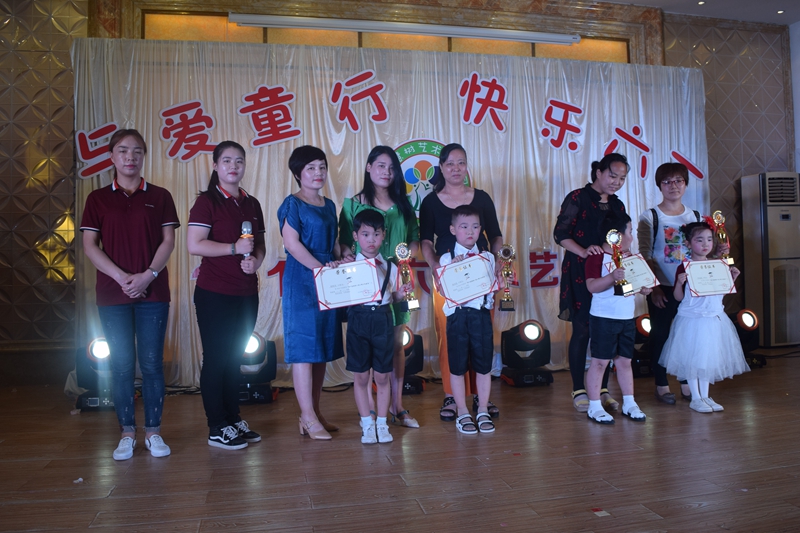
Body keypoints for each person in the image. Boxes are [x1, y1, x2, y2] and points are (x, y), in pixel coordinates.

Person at [80, 128, 179, 460]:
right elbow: (90, 246)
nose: (130, 157)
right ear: (112, 156)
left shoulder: (160, 196)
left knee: (151, 364)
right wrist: (122, 277)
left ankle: (153, 432)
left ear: (144, 156)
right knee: (121, 365)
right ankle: (126, 433)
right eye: (123, 151)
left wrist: (148, 275)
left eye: (137, 151)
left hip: (153, 292)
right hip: (113, 293)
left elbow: (168, 241)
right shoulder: (97, 199)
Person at [187, 141, 265, 450]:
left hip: (246, 293)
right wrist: (233, 248)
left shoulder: (251, 203)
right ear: (216, 165)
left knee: (235, 359)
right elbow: (194, 244)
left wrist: (255, 261)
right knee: (217, 359)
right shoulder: (207, 201)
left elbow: (259, 245)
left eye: (239, 161)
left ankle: (233, 419)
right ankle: (216, 426)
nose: (234, 166)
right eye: (227, 161)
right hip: (214, 292)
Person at [420, 143, 503, 422]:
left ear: (467, 166)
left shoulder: (482, 198)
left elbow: (496, 236)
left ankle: (481, 397)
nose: (456, 169)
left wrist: (498, 262)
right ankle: (451, 395)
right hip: (449, 280)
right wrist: (436, 267)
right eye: (450, 164)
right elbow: (425, 241)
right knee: (450, 338)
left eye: (461, 163)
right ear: (441, 168)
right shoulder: (431, 202)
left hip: (481, 278)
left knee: (481, 336)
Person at [339, 146, 420, 429]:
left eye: (391, 167)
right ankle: (370, 412)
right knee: (366, 346)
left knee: (395, 344)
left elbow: (414, 238)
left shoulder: (404, 204)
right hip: (365, 286)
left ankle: (397, 406)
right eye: (381, 165)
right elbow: (343, 242)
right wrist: (348, 258)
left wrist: (406, 259)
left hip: (397, 281)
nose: (386, 172)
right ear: (369, 167)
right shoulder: (353, 204)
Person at [554, 153, 629, 413]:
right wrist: (584, 251)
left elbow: (623, 238)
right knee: (583, 329)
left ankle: (602, 389)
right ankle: (579, 389)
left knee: (605, 330)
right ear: (598, 172)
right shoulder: (578, 198)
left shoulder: (618, 205)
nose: (616, 182)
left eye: (622, 178)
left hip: (609, 271)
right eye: (612, 176)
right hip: (580, 269)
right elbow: (560, 234)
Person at [278, 145, 344, 440]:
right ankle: (306, 416)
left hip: (327, 279)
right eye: (311, 168)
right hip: (303, 279)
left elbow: (335, 242)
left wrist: (344, 258)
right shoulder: (292, 204)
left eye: (322, 167)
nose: (318, 173)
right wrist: (321, 269)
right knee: (305, 349)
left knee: (321, 349)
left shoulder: (328, 205)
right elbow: (292, 244)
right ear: (297, 174)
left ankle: (314, 412)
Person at [659, 221, 749, 413]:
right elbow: (678, 297)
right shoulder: (685, 267)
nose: (705, 244)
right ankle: (695, 397)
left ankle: (706, 396)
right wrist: (679, 284)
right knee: (693, 358)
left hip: (712, 318)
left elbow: (719, 293)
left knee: (707, 358)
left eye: (709, 239)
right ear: (689, 243)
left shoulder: (717, 265)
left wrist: (731, 279)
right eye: (699, 240)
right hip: (693, 319)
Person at [346, 210, 413, 444]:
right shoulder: (347, 266)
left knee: (383, 376)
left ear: (384, 235)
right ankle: (367, 423)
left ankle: (382, 423)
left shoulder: (391, 266)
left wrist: (400, 293)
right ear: (355, 236)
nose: (371, 240)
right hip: (358, 320)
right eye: (365, 234)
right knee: (361, 375)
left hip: (383, 319)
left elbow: (390, 297)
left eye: (376, 234)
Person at [638, 163, 703, 404]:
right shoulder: (651, 216)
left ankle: (686, 383)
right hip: (663, 286)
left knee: (687, 336)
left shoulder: (695, 216)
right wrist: (654, 288)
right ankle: (661, 384)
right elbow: (645, 254)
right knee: (661, 335)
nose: (673, 186)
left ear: (685, 184)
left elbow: (701, 250)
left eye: (678, 181)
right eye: (667, 182)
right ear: (659, 186)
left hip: (690, 287)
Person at [584, 214, 651, 424]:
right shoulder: (596, 256)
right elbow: (592, 286)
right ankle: (594, 405)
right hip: (603, 317)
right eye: (630, 231)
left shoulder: (630, 257)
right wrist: (612, 277)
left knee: (625, 361)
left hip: (627, 317)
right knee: (600, 362)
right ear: (617, 235)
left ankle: (629, 403)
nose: (632, 236)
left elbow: (632, 285)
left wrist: (643, 288)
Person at [438, 205, 499, 434]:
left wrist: (499, 283)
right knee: (457, 366)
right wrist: (454, 270)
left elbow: (491, 289)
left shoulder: (488, 257)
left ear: (480, 229)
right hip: (458, 316)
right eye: (464, 227)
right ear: (453, 229)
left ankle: (482, 409)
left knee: (483, 365)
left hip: (481, 315)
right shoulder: (446, 259)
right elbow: (443, 290)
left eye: (474, 226)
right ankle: (462, 411)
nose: (470, 231)